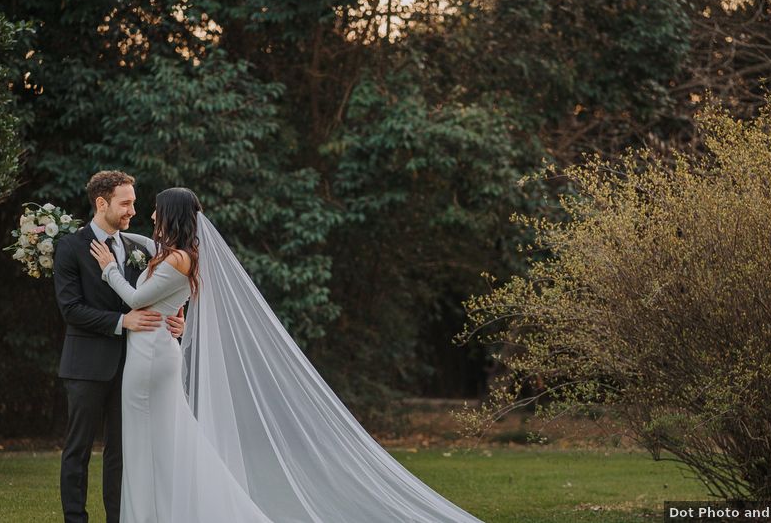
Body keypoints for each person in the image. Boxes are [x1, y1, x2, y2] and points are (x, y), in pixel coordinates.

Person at [89, 186, 483, 522]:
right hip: (155, 353)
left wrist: (109, 268)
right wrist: (123, 244)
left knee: (148, 442)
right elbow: (155, 267)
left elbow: (138, 298)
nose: (151, 212)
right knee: (158, 442)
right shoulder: (174, 252)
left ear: (170, 214)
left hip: (151, 360)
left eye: (157, 207)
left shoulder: (178, 258)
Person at [53, 171, 184, 523]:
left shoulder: (141, 247)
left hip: (133, 367)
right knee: (78, 451)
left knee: (122, 454)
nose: (132, 211)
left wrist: (177, 318)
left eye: (134, 203)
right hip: (86, 365)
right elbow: (71, 309)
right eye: (125, 203)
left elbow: (167, 291)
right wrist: (120, 322)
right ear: (102, 203)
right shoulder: (69, 247)